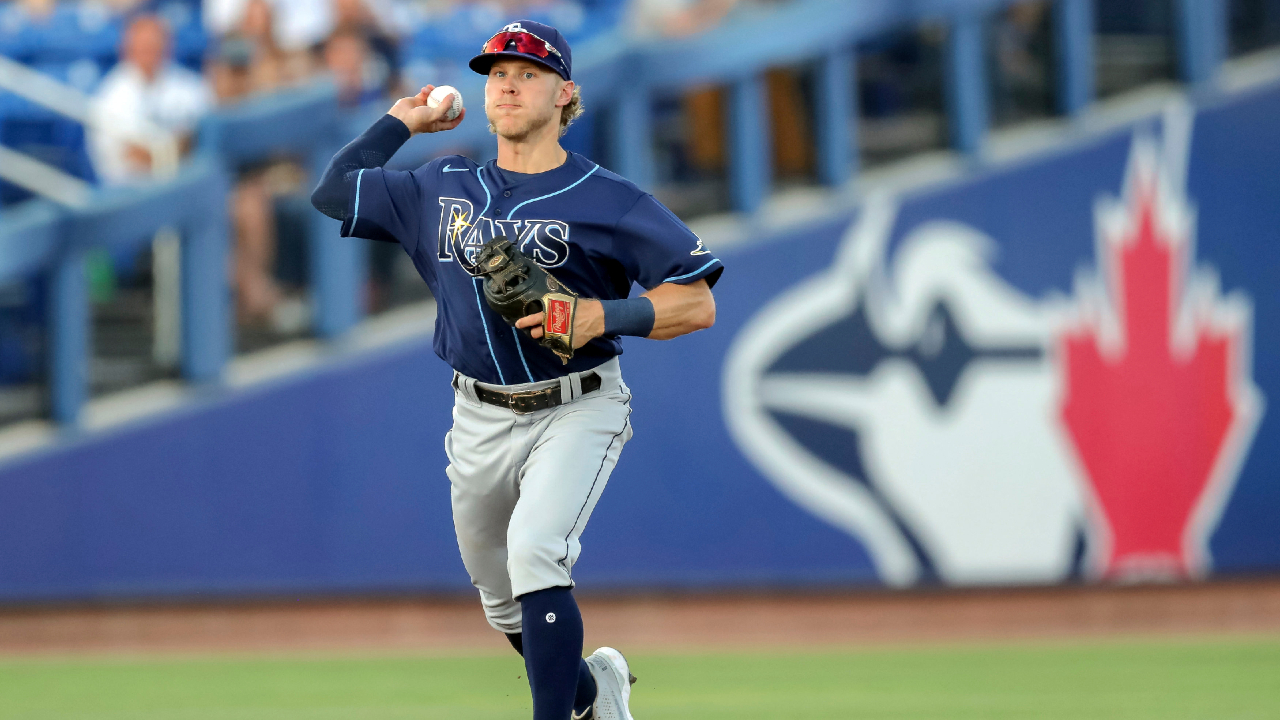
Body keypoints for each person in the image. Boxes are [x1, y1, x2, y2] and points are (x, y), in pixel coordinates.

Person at [311, 19, 721, 720]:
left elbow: (696, 301)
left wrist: (601, 315)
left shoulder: (607, 198)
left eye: (527, 73)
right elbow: (333, 191)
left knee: (537, 555)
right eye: (497, 72)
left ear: (566, 93)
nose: (506, 83)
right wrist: (400, 122)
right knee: (502, 601)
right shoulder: (439, 185)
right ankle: (597, 699)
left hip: (576, 404)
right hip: (477, 413)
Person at [88, 14, 213, 184]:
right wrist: (177, 147)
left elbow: (205, 137)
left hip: (185, 184)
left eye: (154, 45)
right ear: (127, 49)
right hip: (132, 192)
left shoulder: (189, 85)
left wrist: (168, 149)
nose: (150, 52)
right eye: (143, 47)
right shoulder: (111, 96)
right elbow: (132, 155)